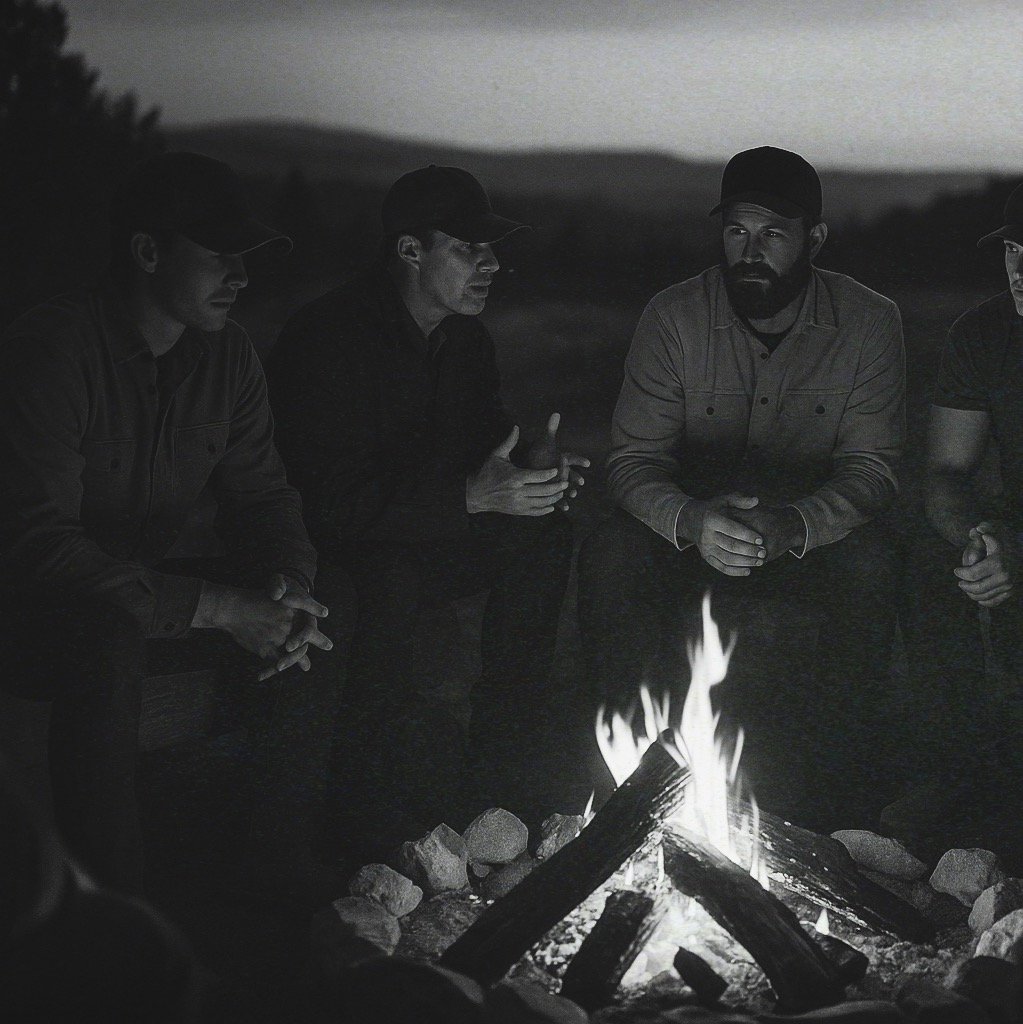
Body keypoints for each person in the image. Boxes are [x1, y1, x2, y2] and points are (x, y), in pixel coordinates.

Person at [0, 152, 345, 902]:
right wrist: (221, 608)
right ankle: (110, 915)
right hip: (29, 602)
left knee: (315, 615)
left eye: (245, 258)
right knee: (103, 638)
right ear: (148, 251)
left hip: (133, 587)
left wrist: (288, 587)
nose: (241, 277)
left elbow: (265, 496)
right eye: (219, 256)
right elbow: (38, 545)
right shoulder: (54, 349)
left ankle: (270, 872)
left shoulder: (228, 357)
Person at [577, 146, 907, 829]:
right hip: (689, 528)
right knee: (611, 553)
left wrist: (796, 525)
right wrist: (691, 520)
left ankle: (840, 803)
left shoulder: (870, 321)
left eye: (771, 233)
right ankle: (628, 785)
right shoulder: (673, 317)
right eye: (735, 230)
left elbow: (872, 468)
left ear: (813, 238)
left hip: (805, 535)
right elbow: (632, 461)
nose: (748, 251)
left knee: (874, 563)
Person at [265, 165, 588, 860]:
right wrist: (471, 496)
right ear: (410, 251)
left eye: (491, 249)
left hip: (429, 532)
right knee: (388, 580)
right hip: (343, 546)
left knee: (543, 537)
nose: (493, 264)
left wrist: (528, 470)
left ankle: (500, 780)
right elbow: (325, 501)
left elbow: (484, 444)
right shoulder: (327, 337)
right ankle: (363, 820)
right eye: (470, 248)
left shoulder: (464, 340)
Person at [900, 181, 1023, 791]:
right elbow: (947, 472)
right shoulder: (984, 332)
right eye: (1013, 251)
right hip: (1015, 534)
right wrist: (983, 538)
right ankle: (947, 791)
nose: (1020, 272)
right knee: (931, 560)